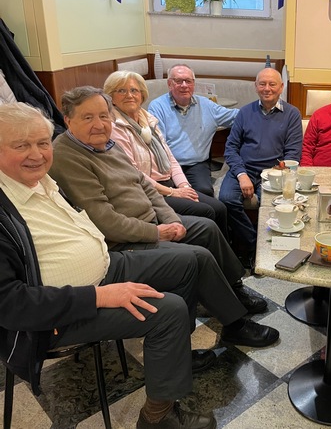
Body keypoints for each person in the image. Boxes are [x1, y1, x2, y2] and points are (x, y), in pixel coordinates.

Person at [0, 102, 216, 428]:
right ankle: (157, 417)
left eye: (43, 143)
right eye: (21, 146)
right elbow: (9, 305)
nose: (37, 154)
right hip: (54, 314)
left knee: (188, 260)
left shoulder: (41, 181)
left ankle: (174, 358)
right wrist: (100, 296)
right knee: (168, 310)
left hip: (104, 268)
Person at [49, 86, 279, 349]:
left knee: (207, 228)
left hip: (150, 221)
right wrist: (157, 233)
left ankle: (233, 289)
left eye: (104, 115)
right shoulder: (67, 156)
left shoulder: (107, 144)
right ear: (68, 120)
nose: (99, 124)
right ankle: (233, 325)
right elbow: (106, 222)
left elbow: (145, 186)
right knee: (198, 256)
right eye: (88, 117)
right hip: (123, 242)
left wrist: (172, 220)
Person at [103, 70, 229, 238]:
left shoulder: (147, 119)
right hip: (147, 190)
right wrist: (172, 192)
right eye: (121, 91)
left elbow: (170, 158)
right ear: (111, 97)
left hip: (168, 182)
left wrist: (184, 186)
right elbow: (134, 173)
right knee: (206, 211)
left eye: (134, 90)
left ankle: (227, 250)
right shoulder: (114, 128)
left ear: (141, 94)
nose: (129, 95)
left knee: (219, 208)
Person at [219, 67, 303, 262]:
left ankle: (264, 251)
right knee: (226, 199)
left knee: (272, 206)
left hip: (274, 172)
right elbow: (230, 148)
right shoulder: (244, 112)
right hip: (244, 169)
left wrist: (277, 173)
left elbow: (293, 153)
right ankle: (253, 245)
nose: (267, 88)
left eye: (272, 84)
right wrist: (241, 175)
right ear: (255, 87)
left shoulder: (292, 114)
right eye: (262, 84)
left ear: (281, 87)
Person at [148, 64, 239, 197]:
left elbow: (237, 116)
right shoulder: (157, 107)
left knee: (205, 193)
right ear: (169, 84)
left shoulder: (206, 105)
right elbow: (159, 145)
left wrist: (262, 108)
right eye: (178, 81)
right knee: (172, 198)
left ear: (193, 84)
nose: (184, 85)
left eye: (188, 81)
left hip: (196, 165)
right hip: (168, 166)